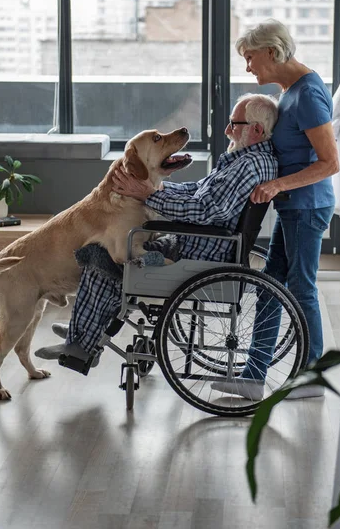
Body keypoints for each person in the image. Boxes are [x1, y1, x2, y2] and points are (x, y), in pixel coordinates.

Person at [35, 93, 279, 367]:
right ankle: (83, 335)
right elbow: (198, 192)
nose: (227, 130)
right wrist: (148, 190)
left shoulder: (247, 165)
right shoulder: (247, 160)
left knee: (110, 261)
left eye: (234, 124)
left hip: (192, 259)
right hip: (191, 247)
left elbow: (205, 210)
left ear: (256, 129)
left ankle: (82, 344)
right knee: (103, 251)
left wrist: (149, 195)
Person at [212, 18, 339, 401]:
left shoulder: (309, 94)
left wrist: (277, 183)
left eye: (250, 57)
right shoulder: (289, 91)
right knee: (270, 288)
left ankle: (312, 379)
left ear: (271, 51)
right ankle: (253, 377)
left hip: (306, 207)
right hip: (291, 208)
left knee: (302, 289)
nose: (248, 66)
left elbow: (330, 163)